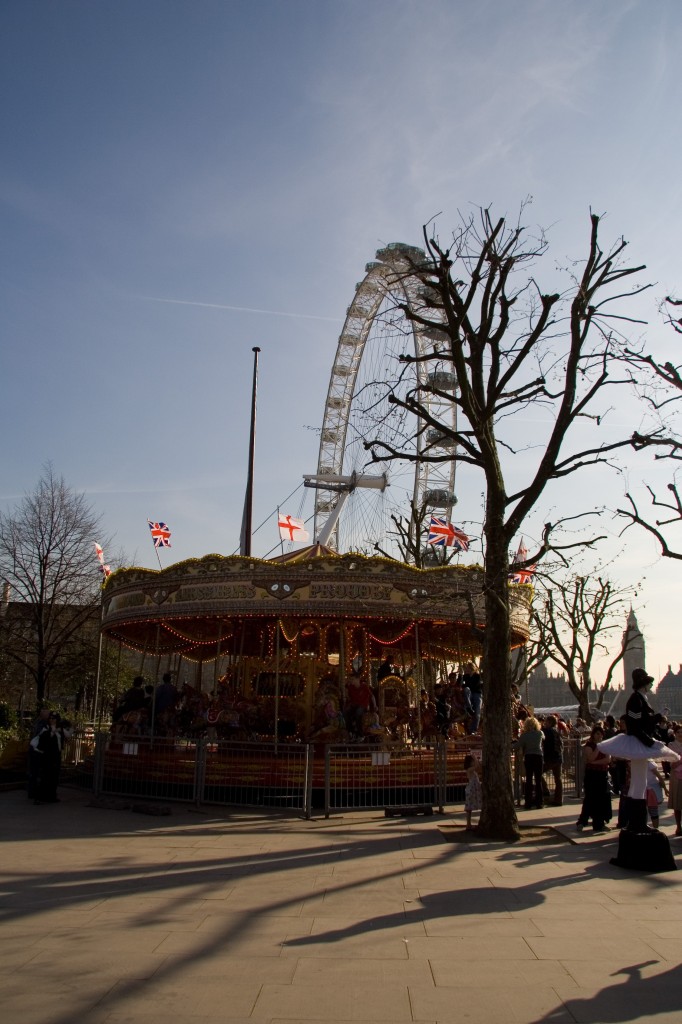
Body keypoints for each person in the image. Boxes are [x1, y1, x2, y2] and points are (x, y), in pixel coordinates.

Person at [576, 724, 612, 833]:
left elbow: (607, 759)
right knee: (589, 798)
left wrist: (595, 761)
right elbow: (590, 757)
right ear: (593, 734)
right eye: (597, 734)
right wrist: (598, 747)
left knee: (600, 799)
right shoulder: (589, 745)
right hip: (591, 774)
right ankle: (582, 821)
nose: (599, 736)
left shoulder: (605, 745)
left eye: (601, 734)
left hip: (602, 774)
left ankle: (599, 824)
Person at [30, 712, 68, 804]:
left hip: (56, 756)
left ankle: (51, 796)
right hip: (47, 756)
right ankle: (39, 797)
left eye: (54, 719)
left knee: (54, 776)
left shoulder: (60, 729)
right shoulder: (46, 728)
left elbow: (67, 735)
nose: (52, 720)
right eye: (50, 718)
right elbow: (44, 739)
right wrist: (51, 732)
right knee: (45, 776)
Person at [518, 715, 544, 810]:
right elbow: (543, 739)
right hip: (538, 756)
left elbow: (518, 745)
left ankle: (528, 802)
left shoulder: (524, 735)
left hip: (528, 756)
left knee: (528, 779)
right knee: (538, 780)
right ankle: (539, 802)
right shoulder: (540, 733)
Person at [344, 673, 376, 739]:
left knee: (358, 712)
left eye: (352, 679)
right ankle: (350, 731)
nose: (351, 681)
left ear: (358, 679)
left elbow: (371, 696)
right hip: (354, 704)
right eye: (351, 679)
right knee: (346, 711)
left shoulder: (364, 687)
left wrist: (375, 705)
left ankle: (360, 733)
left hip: (363, 705)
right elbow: (348, 697)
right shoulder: (351, 687)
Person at [541, 714, 563, 806]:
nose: (545, 723)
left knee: (539, 772)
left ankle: (545, 791)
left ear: (549, 722)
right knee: (558, 779)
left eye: (546, 722)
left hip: (550, 758)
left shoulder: (546, 731)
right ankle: (558, 799)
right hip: (558, 757)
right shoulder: (556, 731)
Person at [666, 724, 682, 836]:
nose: (681, 734)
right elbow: (672, 764)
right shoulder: (671, 745)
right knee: (677, 802)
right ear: (675, 734)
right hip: (676, 776)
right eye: (679, 732)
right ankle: (678, 826)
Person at [463, 662, 482, 734]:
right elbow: (461, 685)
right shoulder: (465, 676)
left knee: (477, 713)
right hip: (470, 693)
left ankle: (473, 730)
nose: (466, 669)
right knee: (466, 689)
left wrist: (466, 684)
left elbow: (474, 686)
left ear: (471, 669)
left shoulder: (477, 676)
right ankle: (469, 707)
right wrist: (461, 676)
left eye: (467, 668)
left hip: (476, 694)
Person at [463, 753, 482, 829]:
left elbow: (479, 767)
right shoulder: (469, 770)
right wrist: (475, 758)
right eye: (472, 761)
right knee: (469, 808)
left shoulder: (473, 771)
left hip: (474, 789)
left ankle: (469, 824)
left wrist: (476, 759)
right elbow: (477, 766)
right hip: (471, 790)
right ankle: (468, 824)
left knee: (470, 808)